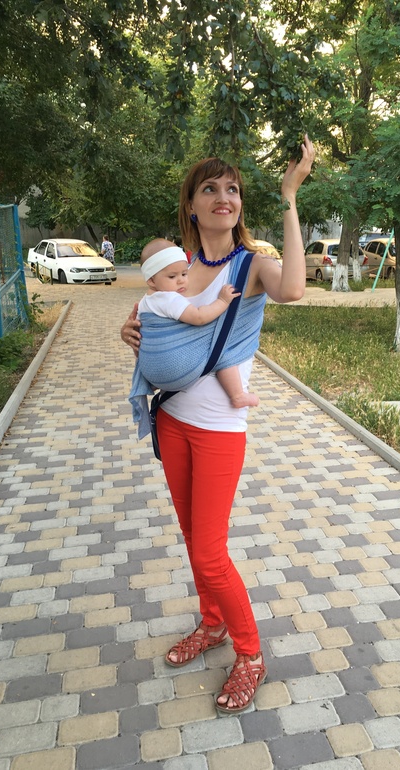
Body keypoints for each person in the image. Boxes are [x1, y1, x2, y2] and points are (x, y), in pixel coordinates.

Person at [121, 135, 314, 714]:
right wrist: (129, 333)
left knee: (209, 552)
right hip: (172, 421)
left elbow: (294, 289)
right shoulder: (175, 272)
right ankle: (212, 624)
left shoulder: (250, 265)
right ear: (192, 205)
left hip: (219, 430)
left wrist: (289, 195)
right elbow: (150, 326)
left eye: (232, 189)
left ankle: (250, 654)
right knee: (193, 539)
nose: (223, 197)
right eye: (210, 189)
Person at [133, 236, 259, 409]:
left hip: (151, 371)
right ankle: (237, 395)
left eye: (184, 274)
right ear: (151, 281)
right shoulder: (169, 299)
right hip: (174, 369)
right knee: (224, 355)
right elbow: (199, 317)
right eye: (172, 276)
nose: (181, 280)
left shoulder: (145, 301)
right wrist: (223, 301)